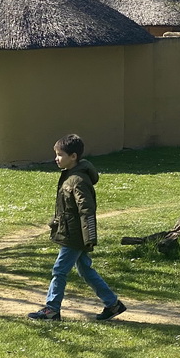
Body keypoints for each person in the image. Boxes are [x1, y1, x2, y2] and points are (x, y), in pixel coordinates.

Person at [28, 133, 127, 322]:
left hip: (75, 236)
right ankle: (113, 304)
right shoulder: (69, 177)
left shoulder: (78, 180)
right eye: (56, 154)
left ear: (73, 157)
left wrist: (89, 237)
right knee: (85, 270)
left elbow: (87, 211)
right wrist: (55, 223)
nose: (56, 158)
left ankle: (52, 309)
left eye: (60, 154)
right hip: (70, 232)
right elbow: (66, 208)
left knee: (59, 270)